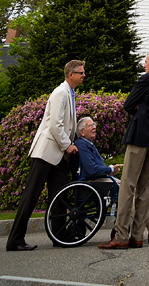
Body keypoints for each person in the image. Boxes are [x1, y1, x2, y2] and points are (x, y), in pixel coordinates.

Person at [6, 59, 85, 252]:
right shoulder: (60, 93)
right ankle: (15, 239)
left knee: (59, 195)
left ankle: (59, 236)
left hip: (57, 155)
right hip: (46, 152)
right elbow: (55, 125)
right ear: (70, 75)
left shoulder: (71, 93)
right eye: (81, 72)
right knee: (31, 195)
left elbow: (66, 125)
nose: (84, 75)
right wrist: (68, 145)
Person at [99, 50, 149, 250]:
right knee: (145, 188)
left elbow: (128, 104)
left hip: (139, 135)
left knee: (127, 185)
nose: (144, 65)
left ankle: (121, 235)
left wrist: (139, 110)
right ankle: (138, 235)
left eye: (146, 61)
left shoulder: (147, 79)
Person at [74, 116, 149, 243]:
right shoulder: (82, 144)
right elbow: (91, 169)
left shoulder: (88, 144)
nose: (95, 127)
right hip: (93, 182)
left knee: (132, 190)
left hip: (101, 179)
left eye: (94, 124)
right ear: (82, 132)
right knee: (128, 192)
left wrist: (110, 170)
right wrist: (109, 169)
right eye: (90, 125)